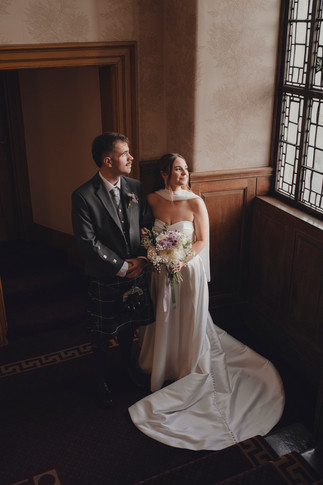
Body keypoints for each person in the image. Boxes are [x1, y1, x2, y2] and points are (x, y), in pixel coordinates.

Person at [128, 153, 285, 450]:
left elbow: (201, 240)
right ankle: (160, 360)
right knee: (163, 317)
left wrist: (180, 259)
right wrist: (156, 254)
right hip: (160, 272)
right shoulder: (150, 200)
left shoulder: (195, 202)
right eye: (178, 168)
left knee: (187, 317)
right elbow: (144, 235)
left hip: (189, 272)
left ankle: (187, 362)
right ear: (164, 173)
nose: (184, 173)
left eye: (186, 169)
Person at [72, 132, 154, 407]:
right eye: (125, 154)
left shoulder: (135, 187)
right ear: (108, 160)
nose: (131, 158)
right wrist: (120, 267)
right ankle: (100, 379)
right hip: (106, 275)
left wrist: (142, 258)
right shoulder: (83, 196)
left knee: (129, 325)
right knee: (102, 332)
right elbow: (87, 242)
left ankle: (127, 369)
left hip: (136, 271)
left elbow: (147, 224)